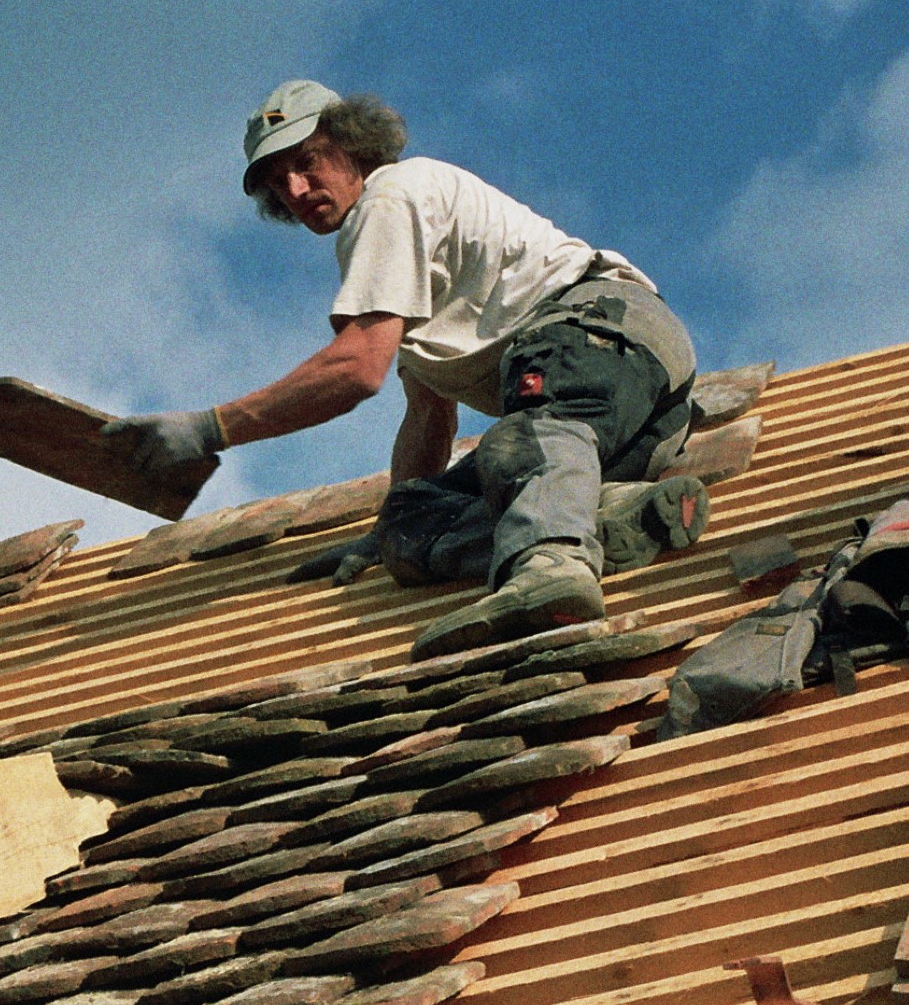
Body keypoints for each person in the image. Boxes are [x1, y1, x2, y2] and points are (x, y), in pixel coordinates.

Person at [103, 81, 709, 658]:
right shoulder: (405, 261)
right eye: (276, 181)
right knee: (412, 523)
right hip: (628, 424)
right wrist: (387, 533)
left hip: (597, 337)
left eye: (309, 160)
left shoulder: (391, 195)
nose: (294, 187)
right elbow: (428, 412)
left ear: (354, 145)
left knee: (518, 439)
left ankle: (553, 565)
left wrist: (209, 429)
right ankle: (602, 521)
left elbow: (358, 368)